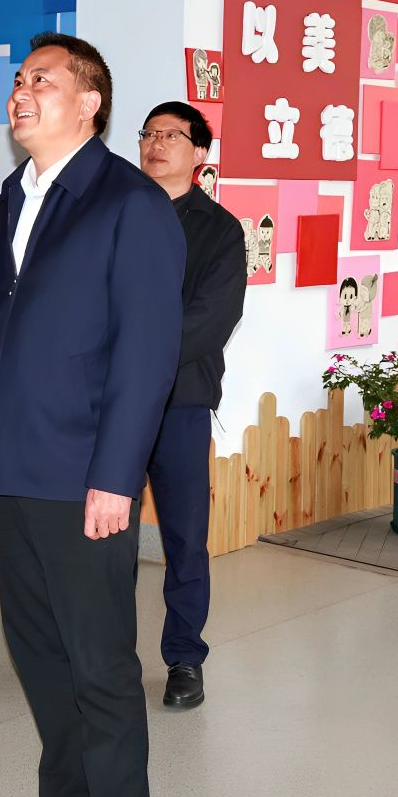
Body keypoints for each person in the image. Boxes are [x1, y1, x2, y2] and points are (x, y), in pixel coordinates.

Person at [0, 33, 184, 797]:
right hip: (14, 467)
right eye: (18, 80)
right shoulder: (11, 198)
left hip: (86, 474)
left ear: (90, 102)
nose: (21, 93)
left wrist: (116, 477)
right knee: (39, 653)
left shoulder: (130, 203)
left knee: (100, 666)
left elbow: (147, 353)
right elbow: (0, 334)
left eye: (43, 82)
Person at [135, 101, 248, 710]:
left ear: (200, 153)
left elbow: (211, 318)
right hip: (112, 404)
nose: (156, 145)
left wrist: (135, 361)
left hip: (180, 399)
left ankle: (184, 657)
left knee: (184, 536)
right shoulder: (116, 214)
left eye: (172, 136)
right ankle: (107, 653)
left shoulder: (220, 230)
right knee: (106, 532)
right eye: (149, 134)